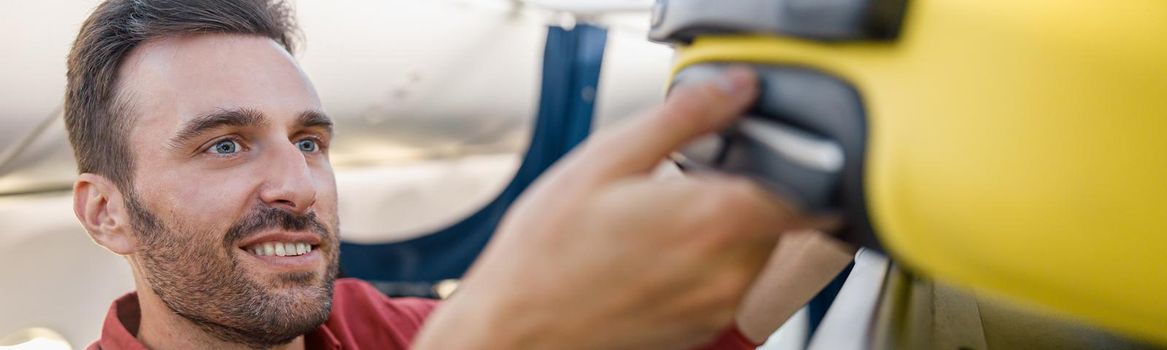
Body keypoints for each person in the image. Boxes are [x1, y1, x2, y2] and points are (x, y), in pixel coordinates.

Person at [66, 0, 853, 349]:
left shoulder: (373, 329)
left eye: (309, 143)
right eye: (225, 145)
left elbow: (691, 333)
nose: (299, 187)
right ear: (107, 212)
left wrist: (851, 191)